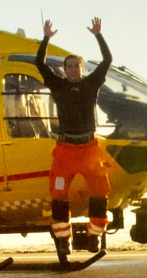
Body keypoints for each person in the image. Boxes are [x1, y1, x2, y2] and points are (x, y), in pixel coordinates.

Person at [37, 17, 114, 262]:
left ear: (82, 68)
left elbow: (107, 61)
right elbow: (39, 62)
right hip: (65, 150)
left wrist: (98, 35)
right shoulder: (57, 85)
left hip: (89, 148)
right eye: (69, 66)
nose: (72, 69)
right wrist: (46, 38)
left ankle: (95, 235)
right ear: (64, 69)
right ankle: (63, 240)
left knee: (100, 192)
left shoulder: (92, 84)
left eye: (76, 66)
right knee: (58, 194)